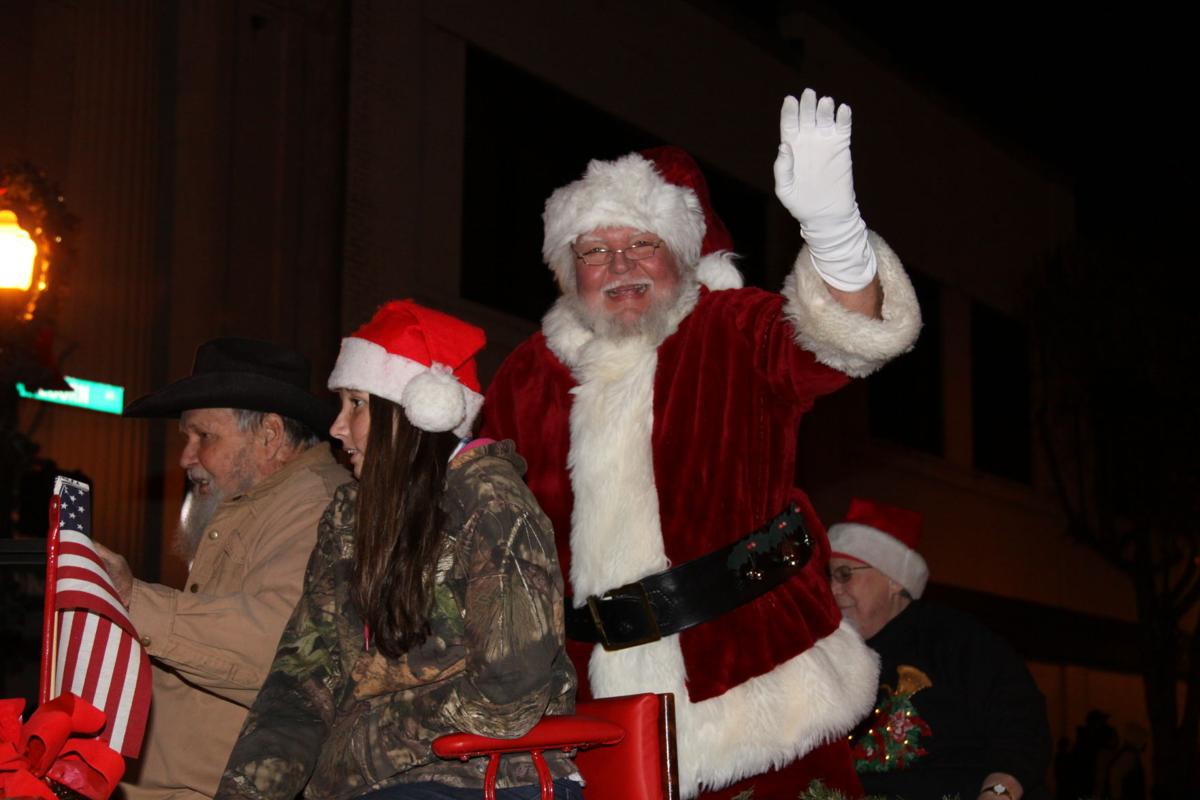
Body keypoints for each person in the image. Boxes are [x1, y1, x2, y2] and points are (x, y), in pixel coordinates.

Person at [480, 89, 923, 799]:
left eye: (643, 244)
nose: (620, 264)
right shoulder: (530, 372)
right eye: (597, 249)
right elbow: (477, 529)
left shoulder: (731, 330)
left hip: (764, 698)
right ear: (570, 268)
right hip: (589, 719)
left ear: (682, 255)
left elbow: (843, 344)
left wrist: (836, 233)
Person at [217, 300, 578, 800]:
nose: (337, 426)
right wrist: (246, 792)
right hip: (379, 784)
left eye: (357, 404)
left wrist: (360, 744)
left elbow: (512, 690)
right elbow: (303, 679)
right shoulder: (349, 518)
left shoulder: (492, 504)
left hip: (490, 776)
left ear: (417, 410)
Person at [95, 338, 352, 800]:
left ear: (270, 434)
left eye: (204, 436)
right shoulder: (258, 503)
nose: (185, 458)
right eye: (186, 438)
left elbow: (284, 651)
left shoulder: (317, 505)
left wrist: (133, 599)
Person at [828, 497, 1052, 800]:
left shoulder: (957, 640)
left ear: (893, 580)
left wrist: (998, 792)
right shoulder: (830, 657)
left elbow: (1022, 727)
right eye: (828, 576)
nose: (832, 588)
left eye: (845, 574)